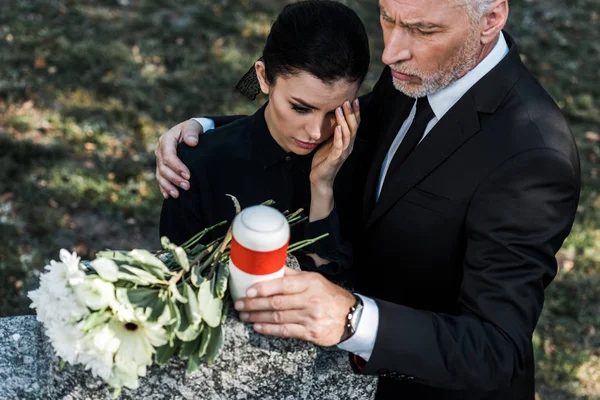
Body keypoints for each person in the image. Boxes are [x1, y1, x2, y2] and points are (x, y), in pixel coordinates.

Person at [154, 0, 581, 399]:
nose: (391, 51)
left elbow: (496, 351)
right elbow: (320, 113)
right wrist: (206, 133)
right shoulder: (420, 71)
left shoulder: (533, 156)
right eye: (387, 18)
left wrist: (353, 319)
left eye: (422, 29)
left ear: (490, 20)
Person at [159, 0, 370, 285]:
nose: (316, 133)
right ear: (263, 77)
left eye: (335, 112)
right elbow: (173, 281)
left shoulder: (362, 161)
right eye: (300, 108)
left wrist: (322, 189)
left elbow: (336, 286)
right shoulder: (198, 167)